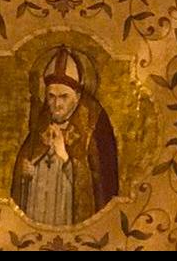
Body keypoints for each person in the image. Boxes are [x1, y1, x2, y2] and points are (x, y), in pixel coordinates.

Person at [11, 46, 119, 225]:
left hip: (70, 219)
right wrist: (24, 173)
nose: (56, 104)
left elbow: (100, 187)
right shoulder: (40, 126)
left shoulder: (92, 128)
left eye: (64, 97)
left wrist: (66, 160)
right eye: (51, 96)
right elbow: (23, 180)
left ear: (77, 96)